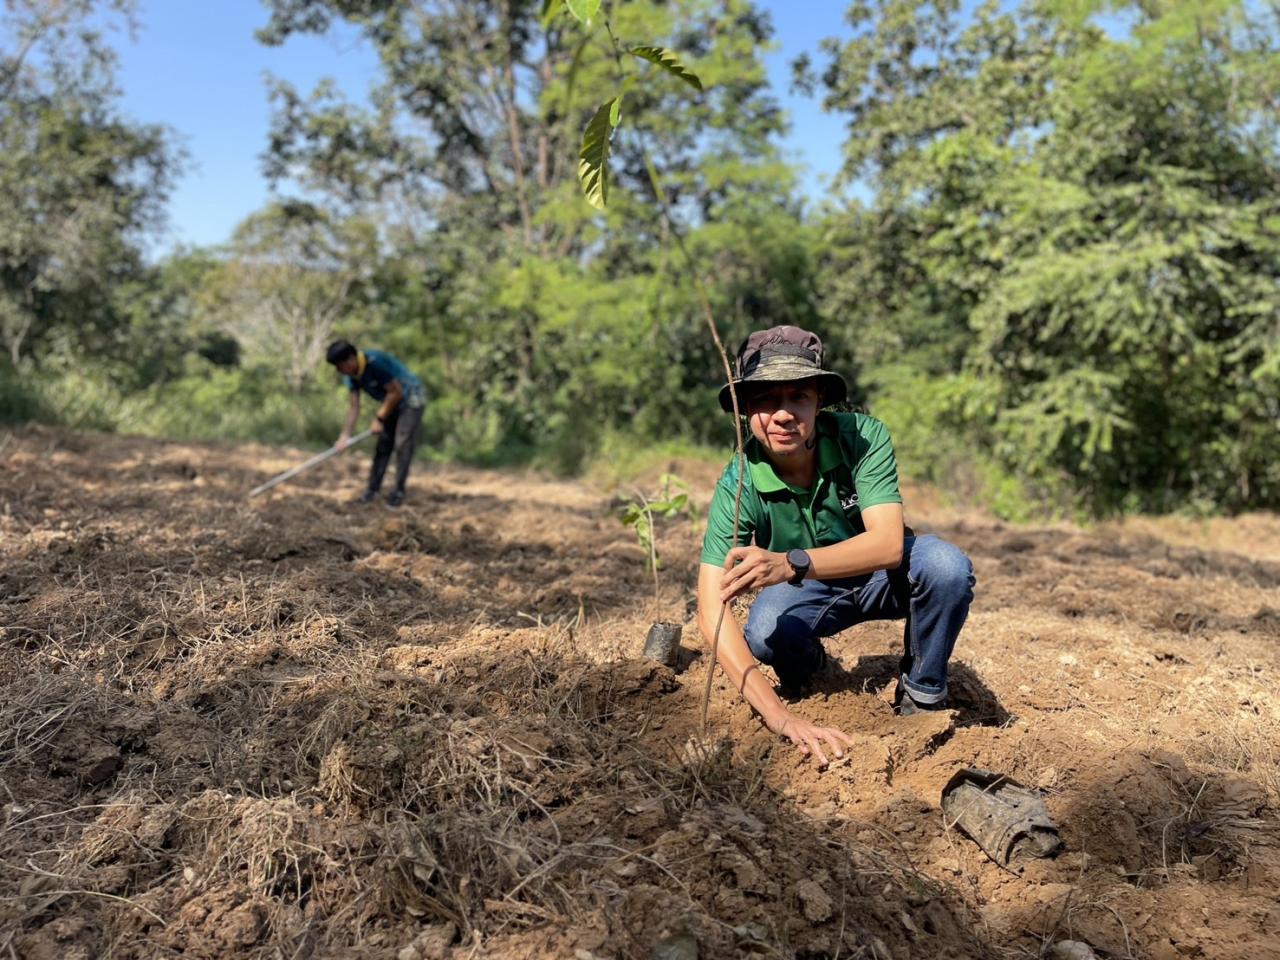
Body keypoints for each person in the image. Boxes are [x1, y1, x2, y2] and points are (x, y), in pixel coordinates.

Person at [697, 325, 975, 765]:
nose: (783, 414)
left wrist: (791, 562)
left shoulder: (863, 437)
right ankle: (814, 672)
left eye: (798, 397)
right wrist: (779, 717)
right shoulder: (739, 480)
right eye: (766, 400)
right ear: (745, 409)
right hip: (810, 591)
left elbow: (887, 546)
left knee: (944, 566)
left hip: (884, 576)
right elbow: (711, 608)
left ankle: (922, 691)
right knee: (765, 632)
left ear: (819, 401)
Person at [325, 339, 426, 507]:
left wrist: (379, 419)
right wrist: (345, 435)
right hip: (391, 402)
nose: (339, 370)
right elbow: (354, 407)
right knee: (383, 446)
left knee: (402, 444)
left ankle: (398, 492)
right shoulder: (351, 376)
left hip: (411, 399)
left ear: (351, 359)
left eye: (340, 365)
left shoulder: (375, 363)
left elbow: (396, 392)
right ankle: (372, 491)